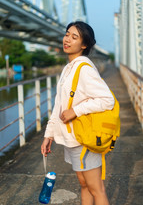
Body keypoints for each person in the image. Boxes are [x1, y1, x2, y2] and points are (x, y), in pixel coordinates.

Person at [41, 21, 114, 205]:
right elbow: (59, 105)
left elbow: (107, 100)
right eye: (67, 34)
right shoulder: (68, 68)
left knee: (96, 189)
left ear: (84, 45)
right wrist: (49, 134)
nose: (67, 39)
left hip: (84, 137)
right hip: (74, 137)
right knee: (84, 185)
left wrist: (75, 111)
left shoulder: (85, 69)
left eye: (74, 37)